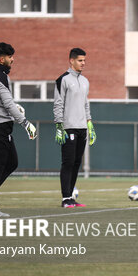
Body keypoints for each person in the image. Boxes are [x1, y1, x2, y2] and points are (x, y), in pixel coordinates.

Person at [0, 42, 37, 218]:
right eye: (10, 56)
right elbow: (7, 104)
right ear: (1, 58)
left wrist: (15, 107)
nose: (13, 59)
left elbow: (2, 102)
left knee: (12, 162)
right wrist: (26, 123)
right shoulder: (0, 76)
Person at [53, 48, 96, 208]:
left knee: (77, 163)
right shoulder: (62, 80)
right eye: (80, 60)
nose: (83, 63)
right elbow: (58, 104)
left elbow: (86, 103)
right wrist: (59, 125)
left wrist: (89, 123)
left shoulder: (85, 81)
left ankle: (70, 197)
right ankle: (65, 199)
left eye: (84, 60)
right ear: (71, 60)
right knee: (68, 162)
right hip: (68, 128)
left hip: (82, 128)